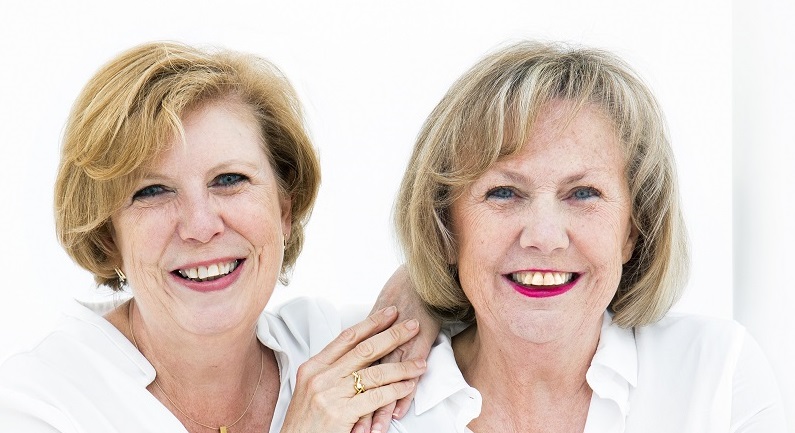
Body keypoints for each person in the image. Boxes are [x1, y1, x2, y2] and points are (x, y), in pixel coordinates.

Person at [0, 41, 434, 433]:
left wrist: (424, 288)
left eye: (229, 179)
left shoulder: (341, 346)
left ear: (284, 209)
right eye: (152, 191)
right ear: (107, 236)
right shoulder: (38, 405)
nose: (200, 226)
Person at [389, 41, 788, 432]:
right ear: (445, 228)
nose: (545, 237)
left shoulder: (715, 378)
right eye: (504, 192)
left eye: (583, 193)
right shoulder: (374, 404)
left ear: (632, 229)